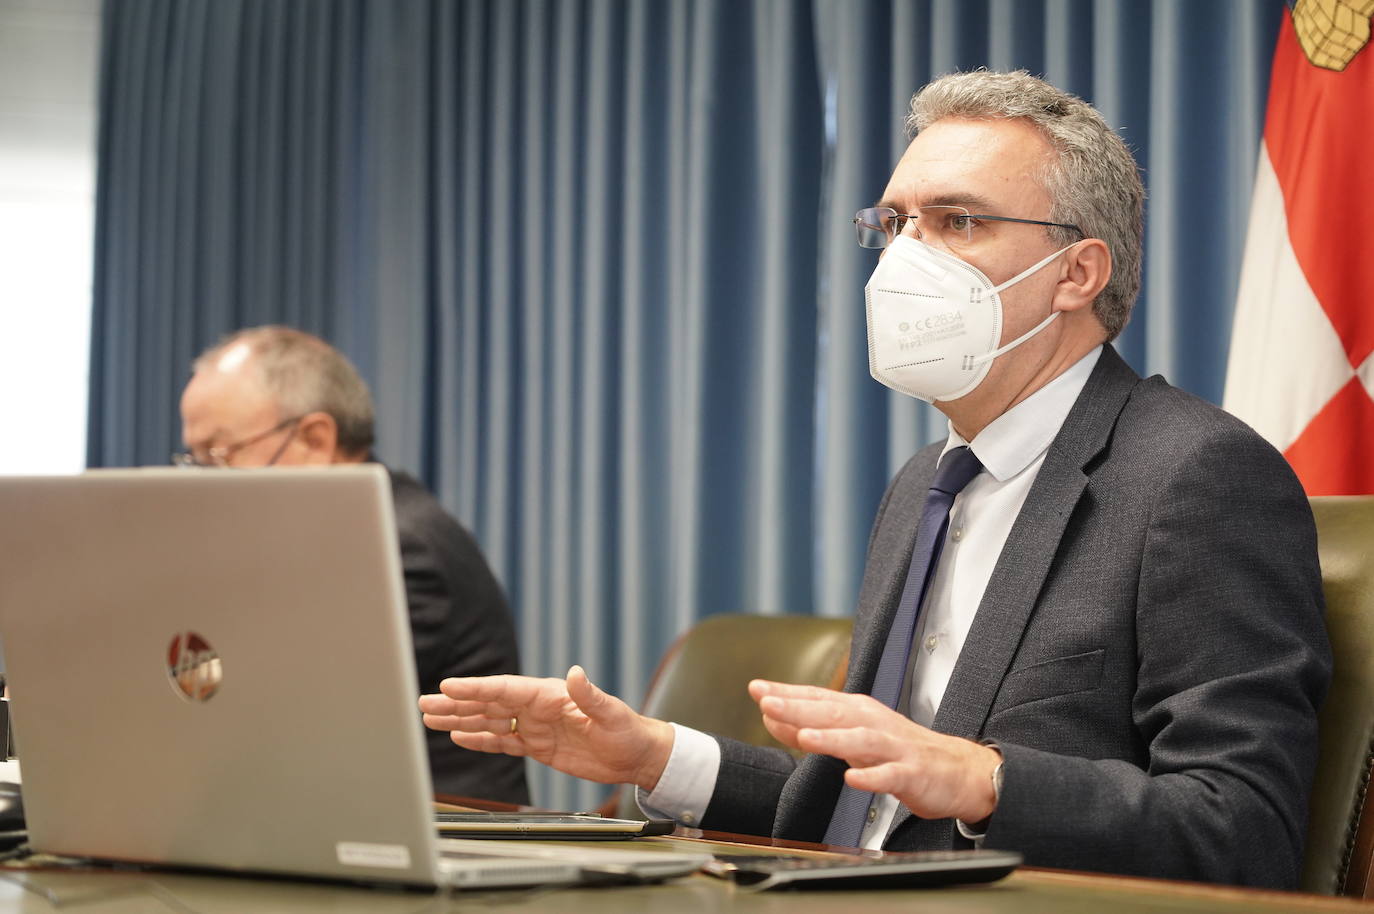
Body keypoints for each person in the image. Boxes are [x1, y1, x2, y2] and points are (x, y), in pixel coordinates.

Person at [418, 71, 1330, 887]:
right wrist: (653, 756)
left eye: (957, 222)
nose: (906, 259)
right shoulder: (924, 483)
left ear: (1077, 273)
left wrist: (985, 779)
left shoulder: (1197, 475)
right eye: (895, 223)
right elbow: (880, 803)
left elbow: (1241, 829)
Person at [180, 325, 529, 804]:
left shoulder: (399, 546)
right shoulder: (314, 539)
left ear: (315, 438)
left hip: (449, 837)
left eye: (219, 456)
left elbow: (287, 723)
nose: (201, 486)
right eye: (193, 460)